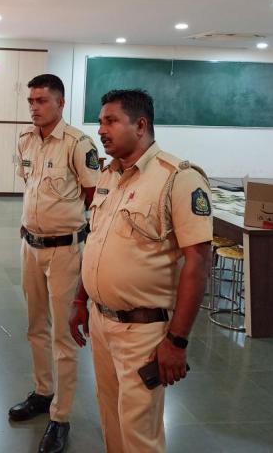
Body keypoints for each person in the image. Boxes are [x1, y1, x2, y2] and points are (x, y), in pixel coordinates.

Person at [69, 89, 212, 453]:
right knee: (112, 423)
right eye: (101, 121)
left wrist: (177, 342)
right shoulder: (108, 176)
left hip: (143, 331)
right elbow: (96, 242)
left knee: (139, 434)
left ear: (141, 125)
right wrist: (80, 299)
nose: (101, 130)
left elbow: (197, 261)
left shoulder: (177, 179)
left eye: (111, 121)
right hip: (101, 323)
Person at [9, 74, 99, 453]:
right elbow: (31, 187)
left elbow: (94, 194)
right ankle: (43, 391)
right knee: (34, 326)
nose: (34, 107)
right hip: (30, 245)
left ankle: (60, 416)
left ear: (60, 104)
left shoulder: (79, 144)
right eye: (31, 100)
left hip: (66, 250)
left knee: (63, 335)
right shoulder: (25, 140)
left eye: (42, 100)